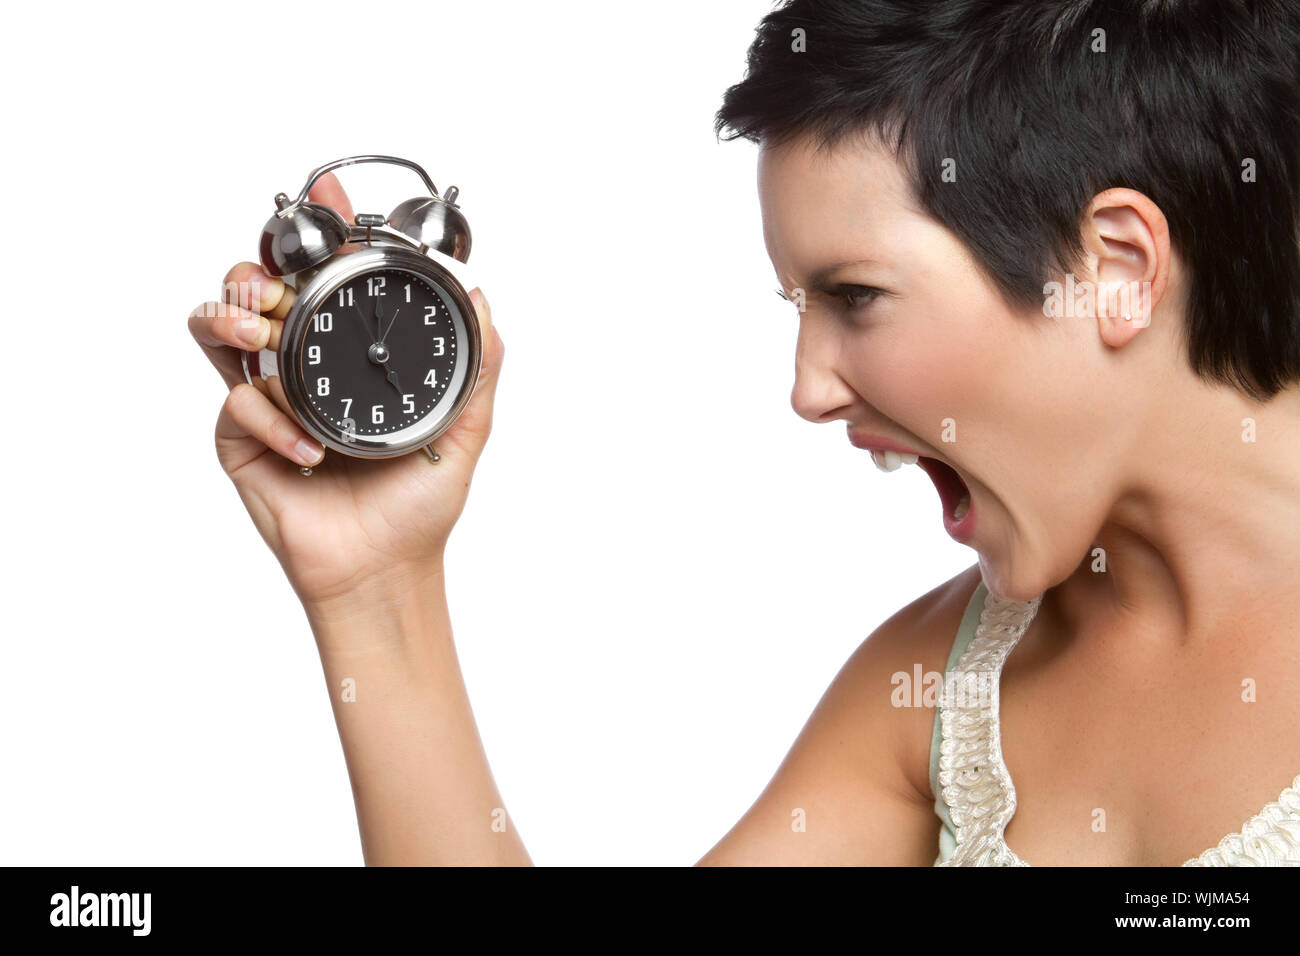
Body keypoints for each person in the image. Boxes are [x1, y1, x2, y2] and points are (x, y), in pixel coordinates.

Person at [188, 0, 1300, 865]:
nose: (809, 389)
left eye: (854, 295)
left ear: (1112, 268)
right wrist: (376, 589)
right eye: (795, 308)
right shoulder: (937, 691)